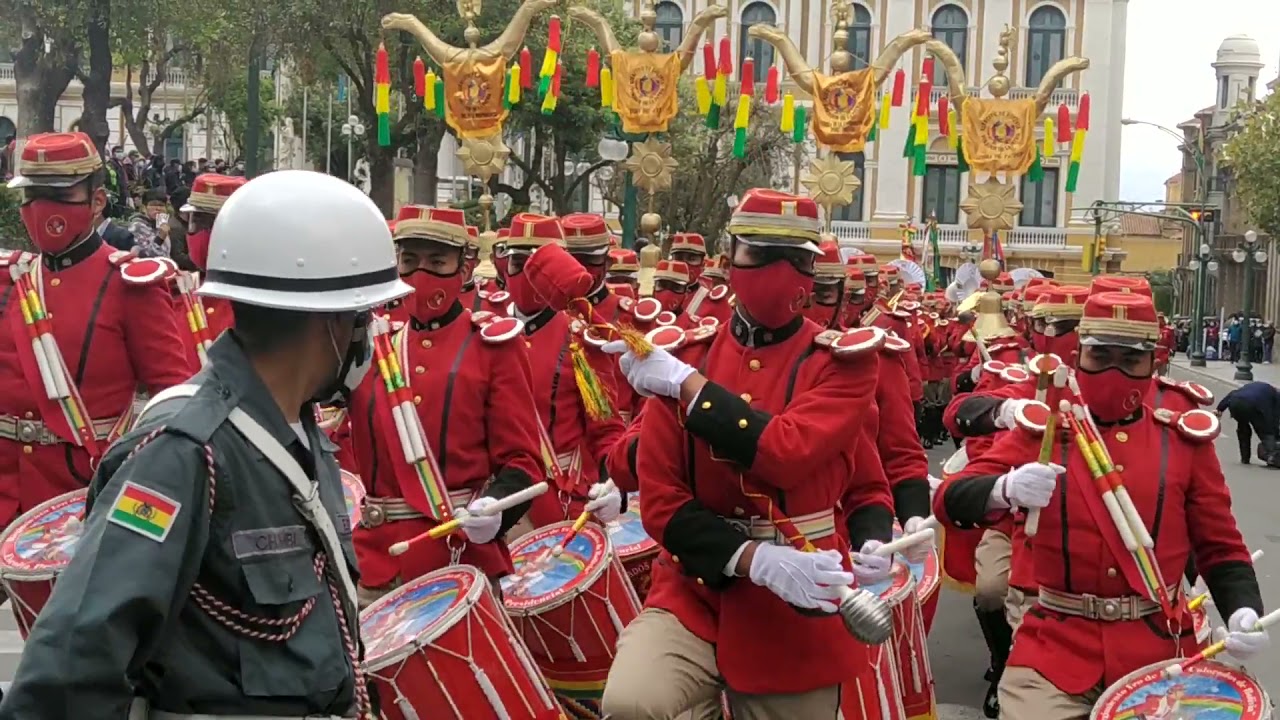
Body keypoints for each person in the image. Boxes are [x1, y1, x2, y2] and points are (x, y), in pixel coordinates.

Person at [0, 169, 410, 719]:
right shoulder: (184, 452)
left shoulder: (298, 438)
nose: (373, 332)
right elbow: (71, 665)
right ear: (334, 323)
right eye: (367, 315)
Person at [600, 188, 894, 719]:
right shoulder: (690, 355)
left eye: (797, 257)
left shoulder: (841, 365)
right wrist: (752, 559)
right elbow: (662, 503)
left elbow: (789, 454)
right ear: (730, 255)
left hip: (798, 602)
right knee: (631, 702)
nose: (776, 270)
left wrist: (874, 538)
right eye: (755, 252)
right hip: (695, 587)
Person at [935, 290, 1268, 720]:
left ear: (1153, 363)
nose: (1114, 371)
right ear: (1079, 356)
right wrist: (1005, 488)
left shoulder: (1181, 436)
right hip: (1054, 649)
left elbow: (1219, 545)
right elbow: (949, 499)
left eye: (1130, 360)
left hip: (1160, 651)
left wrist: (1244, 610)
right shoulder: (1046, 427)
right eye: (1100, 356)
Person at [345, 205, 561, 607]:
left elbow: (522, 460)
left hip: (459, 558)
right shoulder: (371, 346)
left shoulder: (493, 345)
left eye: (436, 261)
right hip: (376, 562)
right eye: (409, 260)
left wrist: (496, 509)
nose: (420, 274)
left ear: (464, 268)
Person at [0, 131, 189, 543]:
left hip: (78, 500)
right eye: (31, 194)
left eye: (58, 193)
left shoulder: (129, 284)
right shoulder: (10, 279)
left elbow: (173, 402)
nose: (40, 207)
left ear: (97, 201)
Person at [501, 213, 626, 529]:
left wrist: (615, 482)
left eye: (536, 265)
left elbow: (605, 428)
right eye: (517, 263)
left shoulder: (582, 340)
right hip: (493, 506)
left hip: (559, 504)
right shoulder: (484, 332)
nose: (526, 275)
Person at [171, 173, 248, 367]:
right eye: (195, 222)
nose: (200, 233)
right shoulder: (181, 292)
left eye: (210, 224)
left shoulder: (255, 302)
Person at [1217, 381, 1280, 465]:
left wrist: (1220, 409)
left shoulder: (1255, 387)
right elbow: (1273, 417)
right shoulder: (1276, 397)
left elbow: (1232, 394)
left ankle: (1245, 458)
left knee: (1243, 429)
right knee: (1265, 432)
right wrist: (1275, 433)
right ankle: (1273, 456)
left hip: (1235, 403)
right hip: (1254, 405)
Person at [127, 188, 172, 257]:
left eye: (161, 205)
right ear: (144, 208)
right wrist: (160, 238)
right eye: (153, 205)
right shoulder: (137, 226)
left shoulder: (161, 224)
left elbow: (166, 253)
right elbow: (146, 254)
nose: (158, 208)